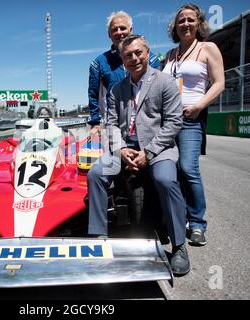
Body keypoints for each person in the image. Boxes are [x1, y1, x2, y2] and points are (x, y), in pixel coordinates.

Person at [87, 35, 189, 276]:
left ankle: (179, 246)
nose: (134, 58)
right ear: (122, 60)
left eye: (138, 53)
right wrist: (121, 149)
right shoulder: (116, 89)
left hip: (157, 149)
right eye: (128, 55)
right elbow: (110, 124)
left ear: (147, 52)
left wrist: (149, 151)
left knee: (166, 180)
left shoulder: (165, 81)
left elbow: (174, 122)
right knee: (95, 174)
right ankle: (98, 240)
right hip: (124, 149)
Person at [162, 4, 225, 246]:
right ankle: (178, 218)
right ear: (175, 27)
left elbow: (219, 83)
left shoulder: (208, 48)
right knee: (171, 172)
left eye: (190, 20)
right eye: (181, 21)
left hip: (190, 119)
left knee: (188, 168)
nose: (185, 24)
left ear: (198, 23)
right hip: (167, 121)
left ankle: (197, 223)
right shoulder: (169, 55)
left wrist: (199, 106)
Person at [87, 11, 160, 135]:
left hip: (147, 125)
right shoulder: (98, 63)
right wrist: (95, 123)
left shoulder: (149, 58)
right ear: (109, 34)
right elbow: (93, 95)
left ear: (130, 30)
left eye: (123, 28)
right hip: (115, 126)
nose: (119, 32)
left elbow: (159, 90)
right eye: (115, 29)